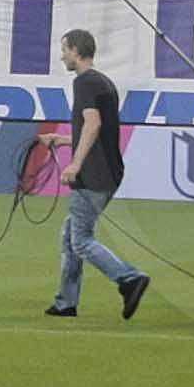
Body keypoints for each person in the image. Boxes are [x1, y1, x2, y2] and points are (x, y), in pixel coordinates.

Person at [52, 27, 149, 320]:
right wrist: (64, 140)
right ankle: (66, 301)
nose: (62, 56)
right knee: (70, 235)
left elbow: (92, 125)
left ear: (77, 51)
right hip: (107, 169)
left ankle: (128, 278)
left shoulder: (84, 83)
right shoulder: (102, 82)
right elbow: (98, 131)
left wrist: (75, 164)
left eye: (65, 49)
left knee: (80, 239)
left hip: (94, 174)